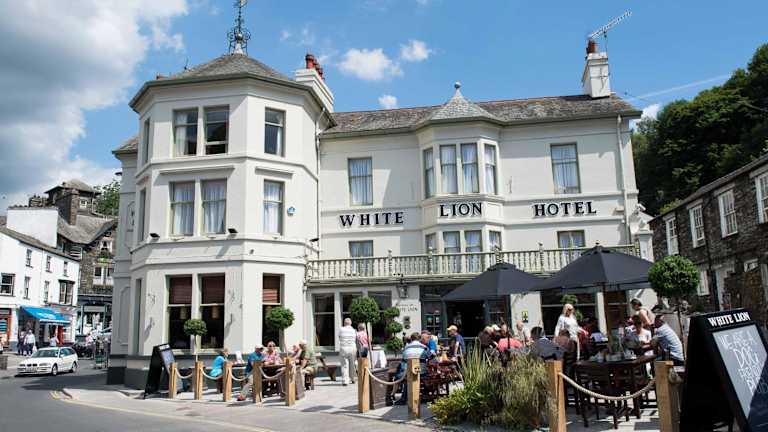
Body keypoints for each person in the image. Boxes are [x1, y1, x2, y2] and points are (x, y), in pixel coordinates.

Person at [394, 332, 429, 405]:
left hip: (407, 372)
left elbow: (403, 359)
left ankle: (403, 399)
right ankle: (426, 394)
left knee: (407, 379)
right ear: (419, 339)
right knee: (424, 375)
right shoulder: (424, 348)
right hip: (421, 371)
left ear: (411, 339)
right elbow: (430, 357)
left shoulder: (406, 348)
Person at [338, 318, 357, 386]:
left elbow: (339, 337)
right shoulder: (353, 330)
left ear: (344, 323)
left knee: (344, 365)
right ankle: (353, 378)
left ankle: (345, 381)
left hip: (344, 348)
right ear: (350, 323)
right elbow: (355, 339)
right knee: (352, 364)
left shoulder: (341, 329)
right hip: (352, 348)